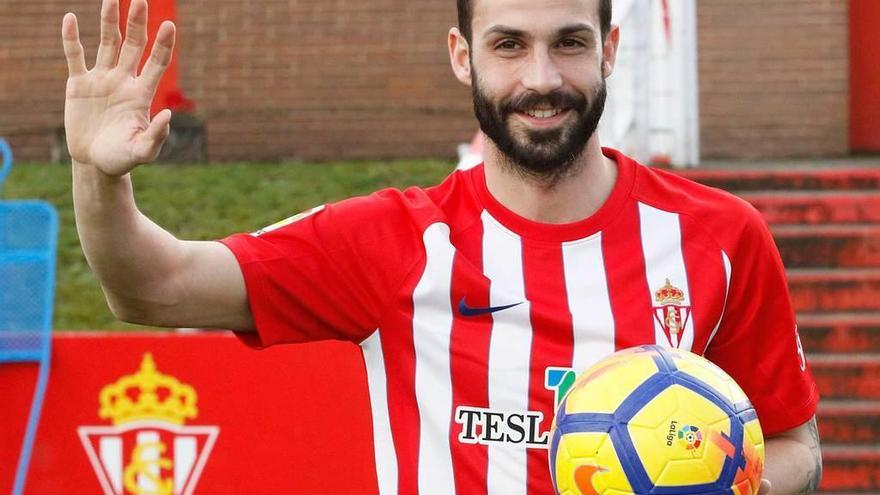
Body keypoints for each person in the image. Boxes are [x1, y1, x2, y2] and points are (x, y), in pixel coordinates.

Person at [61, 0, 822, 493]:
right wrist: (96, 174)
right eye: (509, 45)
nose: (542, 77)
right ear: (463, 56)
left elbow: (797, 445)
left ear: (611, 50)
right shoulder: (392, 240)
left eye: (569, 44)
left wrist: (714, 481)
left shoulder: (719, 238)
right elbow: (152, 285)